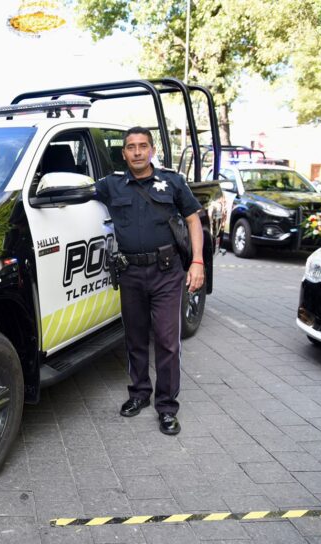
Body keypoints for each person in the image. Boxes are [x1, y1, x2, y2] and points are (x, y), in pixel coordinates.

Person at [94, 126, 205, 436]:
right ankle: (140, 392)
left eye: (143, 146)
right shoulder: (112, 185)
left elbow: (193, 219)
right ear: (124, 153)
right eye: (131, 147)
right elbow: (76, 194)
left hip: (166, 272)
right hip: (130, 272)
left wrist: (197, 262)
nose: (137, 152)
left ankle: (167, 407)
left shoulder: (172, 182)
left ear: (152, 150)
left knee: (167, 342)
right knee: (135, 337)